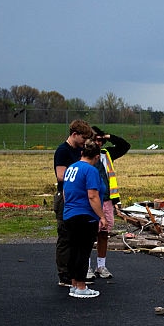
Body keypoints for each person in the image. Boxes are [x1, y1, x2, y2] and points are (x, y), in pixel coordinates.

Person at [62, 139, 108, 298]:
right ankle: (82, 286)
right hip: (85, 215)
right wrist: (102, 216)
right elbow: (92, 195)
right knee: (83, 250)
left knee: (74, 250)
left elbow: (65, 192)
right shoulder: (91, 170)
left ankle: (74, 284)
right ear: (96, 157)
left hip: (69, 214)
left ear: (82, 153)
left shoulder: (71, 168)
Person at [53, 119, 93, 287]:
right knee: (65, 236)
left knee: (77, 238)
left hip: (78, 198)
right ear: (74, 134)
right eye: (83, 137)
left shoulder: (80, 150)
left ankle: (76, 274)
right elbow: (61, 175)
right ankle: (64, 275)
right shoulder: (63, 151)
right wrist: (80, 172)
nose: (85, 141)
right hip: (65, 197)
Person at [87, 125, 130, 279]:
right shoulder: (83, 155)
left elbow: (125, 146)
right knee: (88, 235)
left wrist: (107, 136)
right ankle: (86, 267)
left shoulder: (106, 154)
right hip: (90, 200)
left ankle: (101, 266)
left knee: (104, 233)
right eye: (95, 139)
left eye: (100, 140)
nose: (98, 143)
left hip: (106, 200)